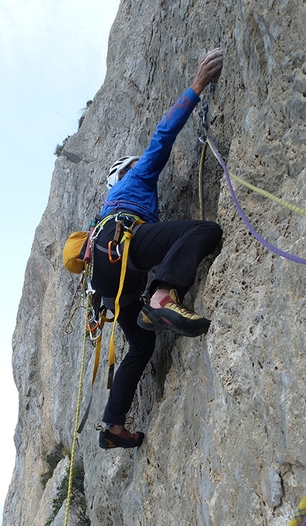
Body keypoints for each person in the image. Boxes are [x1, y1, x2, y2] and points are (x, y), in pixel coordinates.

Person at [92, 48, 224, 449]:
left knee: (143, 343)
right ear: (127, 173)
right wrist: (196, 87)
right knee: (205, 230)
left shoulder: (101, 213)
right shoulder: (134, 183)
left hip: (111, 285)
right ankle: (164, 294)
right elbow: (161, 140)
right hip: (125, 246)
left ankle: (113, 427)